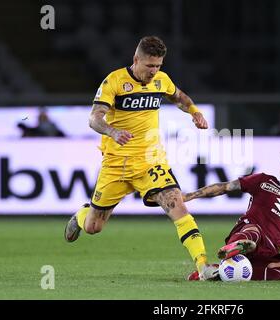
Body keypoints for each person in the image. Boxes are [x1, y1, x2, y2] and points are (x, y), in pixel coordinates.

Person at [64, 36, 218, 280]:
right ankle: (82, 214)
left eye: (158, 66)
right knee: (94, 227)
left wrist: (195, 113)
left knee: (177, 206)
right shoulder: (114, 81)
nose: (154, 71)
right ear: (136, 59)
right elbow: (94, 118)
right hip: (116, 164)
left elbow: (180, 98)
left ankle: (203, 266)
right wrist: (113, 131)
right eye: (149, 66)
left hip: (151, 161)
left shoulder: (161, 80)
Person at [184, 150, 280, 281]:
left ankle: (217, 273)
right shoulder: (264, 181)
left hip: (265, 254)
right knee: (254, 232)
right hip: (248, 233)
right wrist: (190, 195)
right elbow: (225, 187)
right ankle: (239, 246)